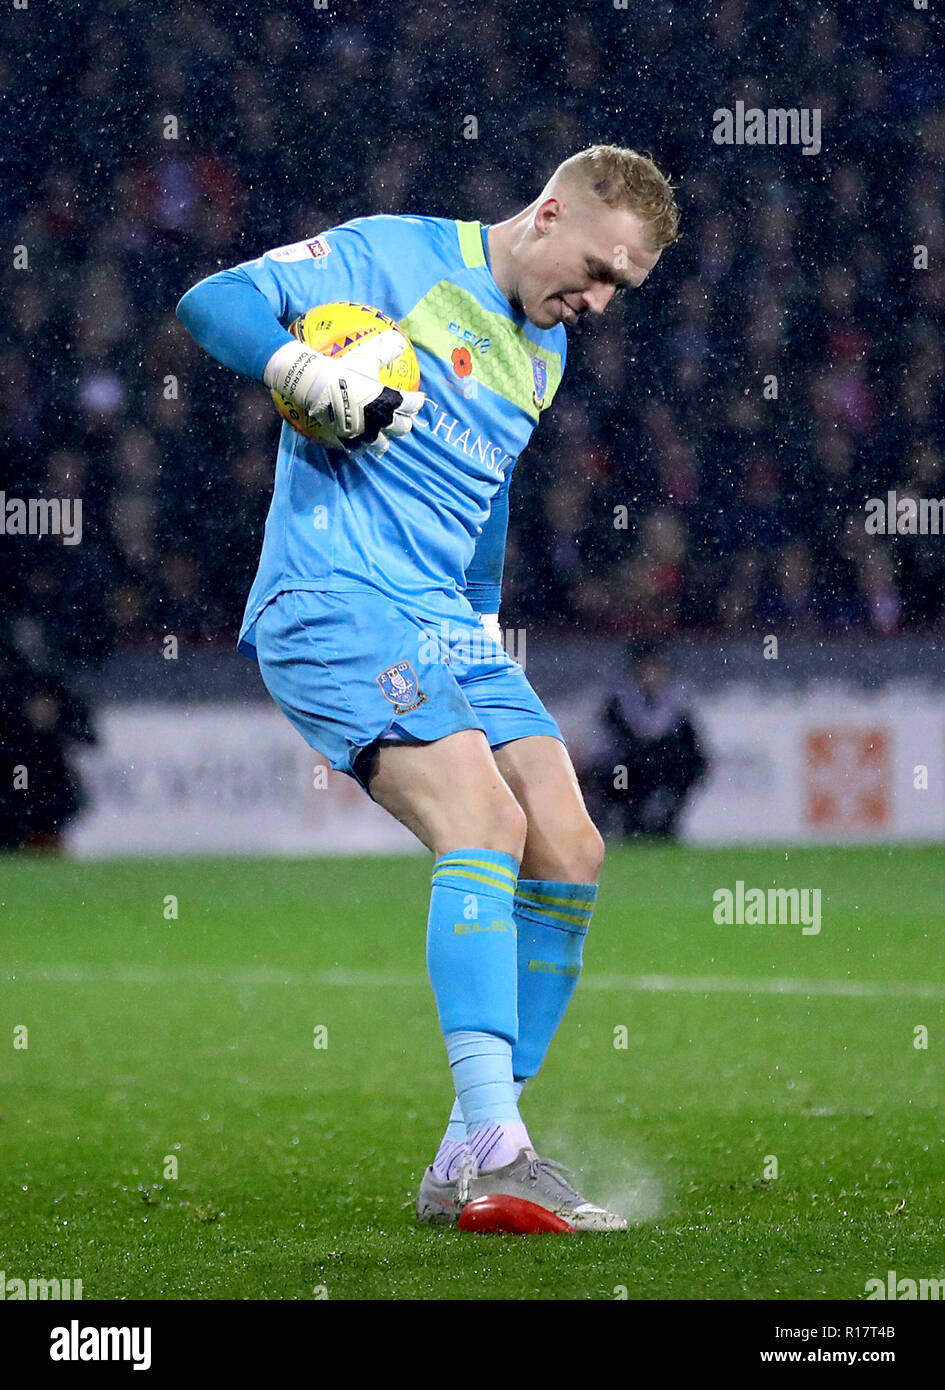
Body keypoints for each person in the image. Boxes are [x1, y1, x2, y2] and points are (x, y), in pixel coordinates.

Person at [177, 144, 679, 1232]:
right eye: (594, 271)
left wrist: (485, 634)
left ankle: (465, 1152)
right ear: (547, 213)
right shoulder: (393, 256)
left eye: (618, 291)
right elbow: (211, 301)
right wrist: (298, 371)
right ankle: (502, 1148)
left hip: (445, 620)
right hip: (333, 597)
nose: (595, 301)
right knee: (484, 820)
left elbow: (485, 498)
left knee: (569, 842)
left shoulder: (541, 354)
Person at [594, 640, 707, 839]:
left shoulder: (678, 702)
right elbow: (616, 742)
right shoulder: (619, 701)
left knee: (685, 767)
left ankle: (667, 821)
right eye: (646, 667)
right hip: (627, 767)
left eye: (656, 667)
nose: (651, 673)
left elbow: (691, 743)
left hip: (664, 765)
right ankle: (631, 823)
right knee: (624, 775)